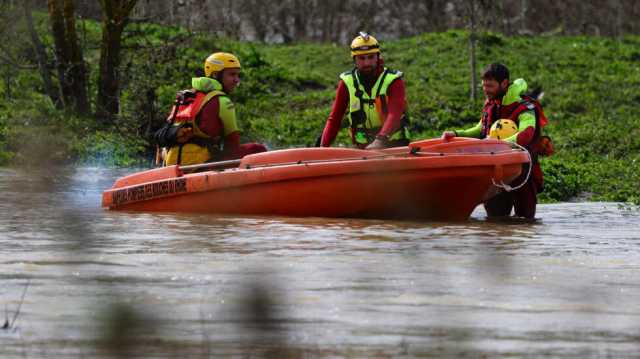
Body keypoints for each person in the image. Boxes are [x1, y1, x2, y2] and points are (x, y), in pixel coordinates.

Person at [442, 63, 551, 219]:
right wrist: (455, 134)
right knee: (494, 220)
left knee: (526, 221)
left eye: (490, 86)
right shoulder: (490, 104)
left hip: (522, 172)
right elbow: (480, 130)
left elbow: (526, 134)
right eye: (484, 86)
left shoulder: (525, 107)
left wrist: (495, 145)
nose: (486, 90)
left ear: (504, 83)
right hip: (494, 173)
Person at [155, 52, 267, 166]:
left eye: (238, 75)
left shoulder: (185, 97)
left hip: (172, 164)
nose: (237, 80)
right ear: (215, 75)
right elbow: (233, 145)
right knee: (257, 148)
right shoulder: (222, 101)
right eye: (232, 75)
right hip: (200, 165)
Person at [320, 32, 410, 150]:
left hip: (395, 146)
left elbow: (395, 113)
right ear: (354, 60)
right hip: (362, 149)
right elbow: (334, 119)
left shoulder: (394, 81)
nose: (366, 63)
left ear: (378, 57)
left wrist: (380, 140)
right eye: (361, 58)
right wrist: (322, 148)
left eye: (371, 57)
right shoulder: (347, 82)